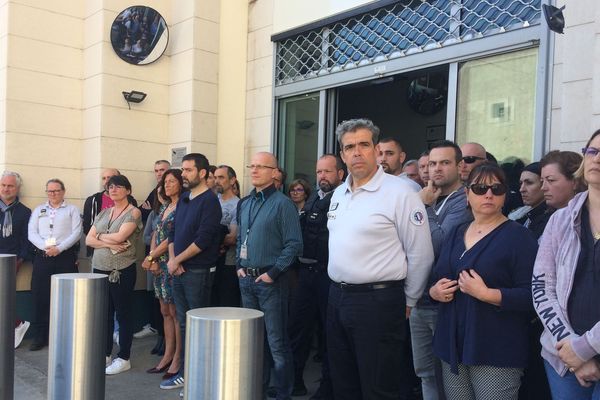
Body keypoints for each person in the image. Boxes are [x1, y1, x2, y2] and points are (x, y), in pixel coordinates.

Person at [327, 119, 434, 399]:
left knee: (378, 387)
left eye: (364, 144)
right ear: (342, 154)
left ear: (376, 150)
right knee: (343, 382)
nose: (357, 152)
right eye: (349, 147)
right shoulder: (339, 193)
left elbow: (420, 253)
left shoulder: (401, 193)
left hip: (378, 302)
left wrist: (409, 300)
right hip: (337, 298)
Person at [430, 163, 538, 399]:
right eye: (480, 188)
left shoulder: (519, 237)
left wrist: (486, 294)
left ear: (504, 196)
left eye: (496, 189)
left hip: (495, 347)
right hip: (452, 345)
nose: (488, 194)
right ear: (467, 194)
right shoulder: (457, 232)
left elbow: (534, 295)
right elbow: (437, 276)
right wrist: (435, 292)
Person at [532, 130, 600, 399]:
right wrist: (570, 347)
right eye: (593, 151)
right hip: (563, 357)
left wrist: (583, 348)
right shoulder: (560, 220)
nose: (597, 159)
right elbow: (541, 287)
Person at [236, 152, 303, 400]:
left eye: (260, 167)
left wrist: (273, 274)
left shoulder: (283, 204)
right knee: (253, 342)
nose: (254, 170)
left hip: (270, 283)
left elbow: (294, 245)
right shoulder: (246, 203)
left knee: (276, 342)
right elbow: (241, 237)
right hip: (247, 280)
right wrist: (239, 266)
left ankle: (283, 394)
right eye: (251, 166)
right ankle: (258, 391)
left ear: (275, 172)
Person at [413, 140, 472, 400]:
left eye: (445, 163)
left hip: (445, 302)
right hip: (417, 298)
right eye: (433, 163)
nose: (436, 169)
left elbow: (439, 241)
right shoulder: (430, 196)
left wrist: (422, 207)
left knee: (449, 375)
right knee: (424, 372)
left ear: (460, 166)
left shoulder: (465, 199)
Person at [160, 153, 222, 392]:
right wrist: (174, 259)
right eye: (182, 170)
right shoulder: (185, 198)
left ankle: (200, 378)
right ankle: (187, 374)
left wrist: (178, 260)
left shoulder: (210, 201)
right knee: (184, 324)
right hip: (180, 269)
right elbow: (174, 232)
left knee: (198, 326)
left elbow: (204, 239)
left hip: (198, 271)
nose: (183, 174)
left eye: (187, 170)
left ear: (203, 173)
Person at [289, 154, 344, 399]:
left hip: (329, 276)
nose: (322, 176)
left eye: (328, 172)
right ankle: (295, 380)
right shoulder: (313, 199)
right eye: (319, 172)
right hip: (306, 275)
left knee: (329, 335)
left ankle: (328, 387)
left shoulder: (344, 199)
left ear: (340, 174)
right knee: (298, 329)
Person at [85, 175, 142, 374]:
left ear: (128, 190)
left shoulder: (133, 212)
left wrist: (99, 237)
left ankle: (124, 357)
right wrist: (107, 241)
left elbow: (121, 236)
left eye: (118, 186)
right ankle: (105, 353)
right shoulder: (103, 213)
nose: (113, 189)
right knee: (105, 314)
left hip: (121, 270)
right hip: (99, 268)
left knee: (123, 314)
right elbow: (88, 240)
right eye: (110, 187)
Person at [28, 178, 81, 351]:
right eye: (50, 191)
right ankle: (39, 337)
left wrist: (59, 248)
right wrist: (46, 247)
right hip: (43, 257)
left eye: (57, 190)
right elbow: (31, 232)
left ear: (63, 191)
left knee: (66, 297)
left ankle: (63, 336)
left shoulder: (72, 210)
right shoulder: (39, 210)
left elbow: (76, 233)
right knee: (40, 297)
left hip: (64, 257)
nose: (53, 194)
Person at [142, 169, 183, 379]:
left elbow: (172, 238)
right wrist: (153, 258)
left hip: (173, 263)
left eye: (172, 181)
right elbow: (157, 234)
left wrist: (152, 257)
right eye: (165, 182)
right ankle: (166, 355)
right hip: (158, 263)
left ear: (181, 184)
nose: (167, 185)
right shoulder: (165, 206)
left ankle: (177, 357)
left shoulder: (184, 207)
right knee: (164, 310)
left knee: (175, 312)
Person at [0, 171, 32, 348]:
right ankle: (18, 323)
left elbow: (26, 239)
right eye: (3, 185)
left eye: (10, 185)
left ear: (17, 188)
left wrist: (20, 260)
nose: (6, 188)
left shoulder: (24, 212)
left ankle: (17, 324)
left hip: (11, 261)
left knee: (4, 295)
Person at [83, 168, 137, 256]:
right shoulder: (93, 200)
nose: (107, 181)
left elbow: (123, 236)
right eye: (104, 178)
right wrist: (108, 244)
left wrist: (98, 236)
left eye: (110, 177)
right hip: (97, 253)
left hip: (122, 254)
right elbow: (87, 228)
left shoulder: (131, 202)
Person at [211, 165, 241, 307]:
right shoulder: (210, 201)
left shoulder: (238, 205)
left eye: (221, 177)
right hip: (208, 261)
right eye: (215, 177)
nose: (217, 181)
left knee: (226, 304)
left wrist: (208, 239)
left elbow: (232, 238)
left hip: (228, 263)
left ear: (232, 180)